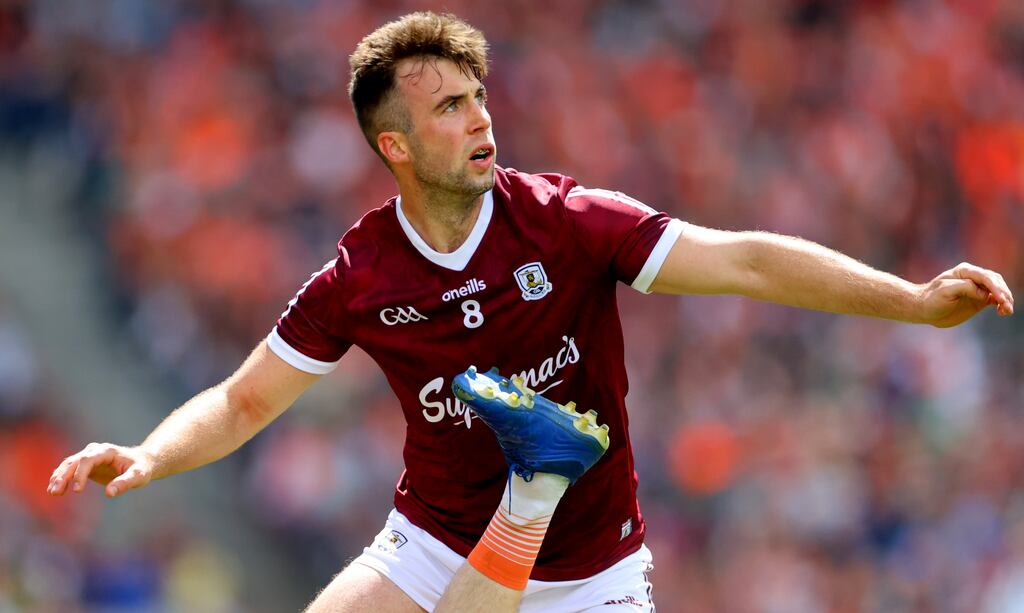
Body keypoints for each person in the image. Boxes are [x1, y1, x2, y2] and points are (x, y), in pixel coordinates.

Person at [48, 11, 1014, 613]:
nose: (480, 120)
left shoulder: (566, 221)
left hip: (592, 573)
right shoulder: (360, 276)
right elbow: (243, 401)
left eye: (479, 98)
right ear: (394, 145)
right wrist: (148, 454)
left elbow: (745, 262)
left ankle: (535, 491)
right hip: (431, 542)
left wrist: (914, 302)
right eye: (449, 110)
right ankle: (531, 487)